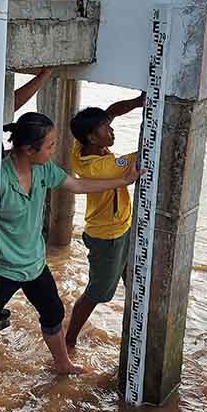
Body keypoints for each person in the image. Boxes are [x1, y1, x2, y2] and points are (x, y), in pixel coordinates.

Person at [0, 111, 140, 374]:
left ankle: (63, 363)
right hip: (1, 268)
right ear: (29, 149)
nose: (53, 151)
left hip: (34, 263)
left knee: (53, 313)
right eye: (50, 146)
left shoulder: (43, 169)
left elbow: (76, 185)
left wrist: (124, 180)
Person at [64, 93, 146, 350]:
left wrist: (136, 102)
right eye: (106, 129)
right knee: (97, 293)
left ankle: (134, 337)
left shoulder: (81, 148)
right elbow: (145, 153)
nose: (111, 131)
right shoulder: (103, 167)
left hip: (122, 227)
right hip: (108, 237)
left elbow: (110, 110)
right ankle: (69, 341)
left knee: (134, 280)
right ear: (92, 137)